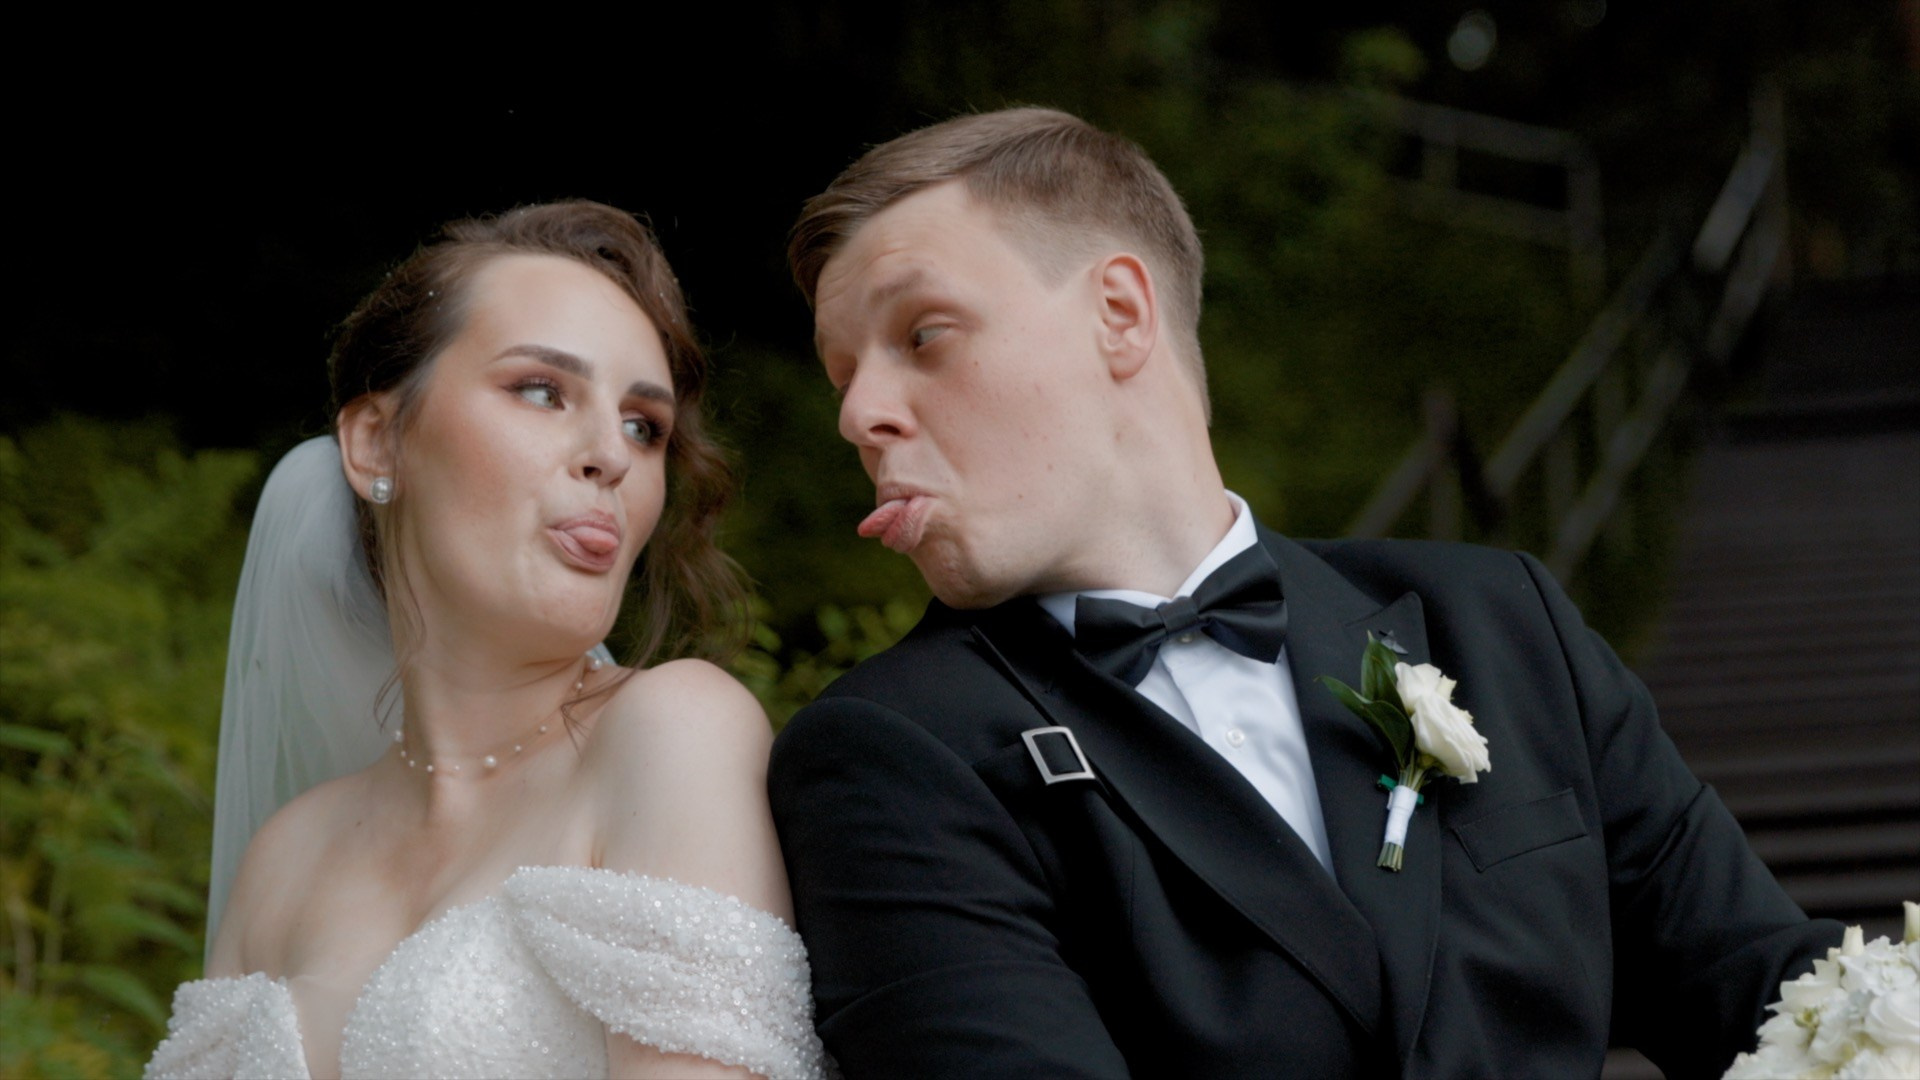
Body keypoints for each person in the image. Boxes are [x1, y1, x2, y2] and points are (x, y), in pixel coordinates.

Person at [766, 107, 1844, 1078]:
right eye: (843, 375)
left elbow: (1780, 1000)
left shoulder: (1501, 619)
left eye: (922, 335)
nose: (859, 416)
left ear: (1120, 314)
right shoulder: (889, 756)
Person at [146, 201, 825, 1080]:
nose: (611, 455)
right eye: (542, 390)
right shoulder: (287, 854)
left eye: (643, 426)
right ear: (377, 441)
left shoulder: (671, 732)